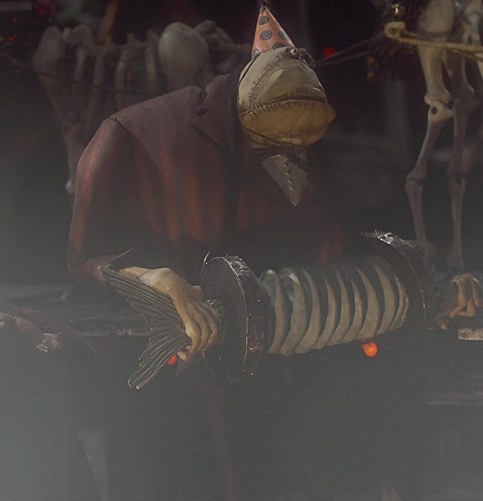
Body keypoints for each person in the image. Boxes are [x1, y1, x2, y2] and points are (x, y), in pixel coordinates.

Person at [68, 5, 480, 500]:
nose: (291, 158)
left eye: (300, 149)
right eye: (273, 147)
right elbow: (83, 260)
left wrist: (419, 292)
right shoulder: (133, 137)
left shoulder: (294, 141)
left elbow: (326, 251)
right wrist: (149, 277)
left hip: (294, 371)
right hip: (188, 383)